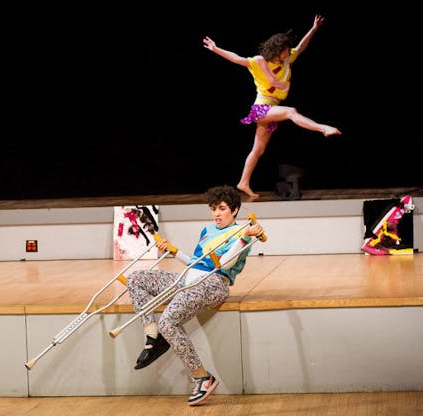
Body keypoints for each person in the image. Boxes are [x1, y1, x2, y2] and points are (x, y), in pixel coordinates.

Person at [125, 185, 264, 406]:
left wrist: (244, 238)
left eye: (222, 208)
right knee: (135, 279)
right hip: (188, 278)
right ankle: (152, 335)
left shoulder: (242, 233)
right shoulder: (207, 230)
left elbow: (225, 264)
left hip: (214, 284)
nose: (216, 213)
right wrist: (173, 251)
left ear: (235, 210)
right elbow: (196, 262)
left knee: (168, 321)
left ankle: (202, 377)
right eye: (213, 209)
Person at [203, 15, 342, 199]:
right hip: (262, 108)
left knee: (258, 150)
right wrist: (215, 49)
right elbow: (237, 59)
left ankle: (243, 182)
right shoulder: (259, 62)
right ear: (278, 50)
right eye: (285, 50)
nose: (288, 52)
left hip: (272, 108)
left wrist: (313, 29)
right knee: (291, 112)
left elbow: (301, 47)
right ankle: (323, 128)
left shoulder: (287, 59)